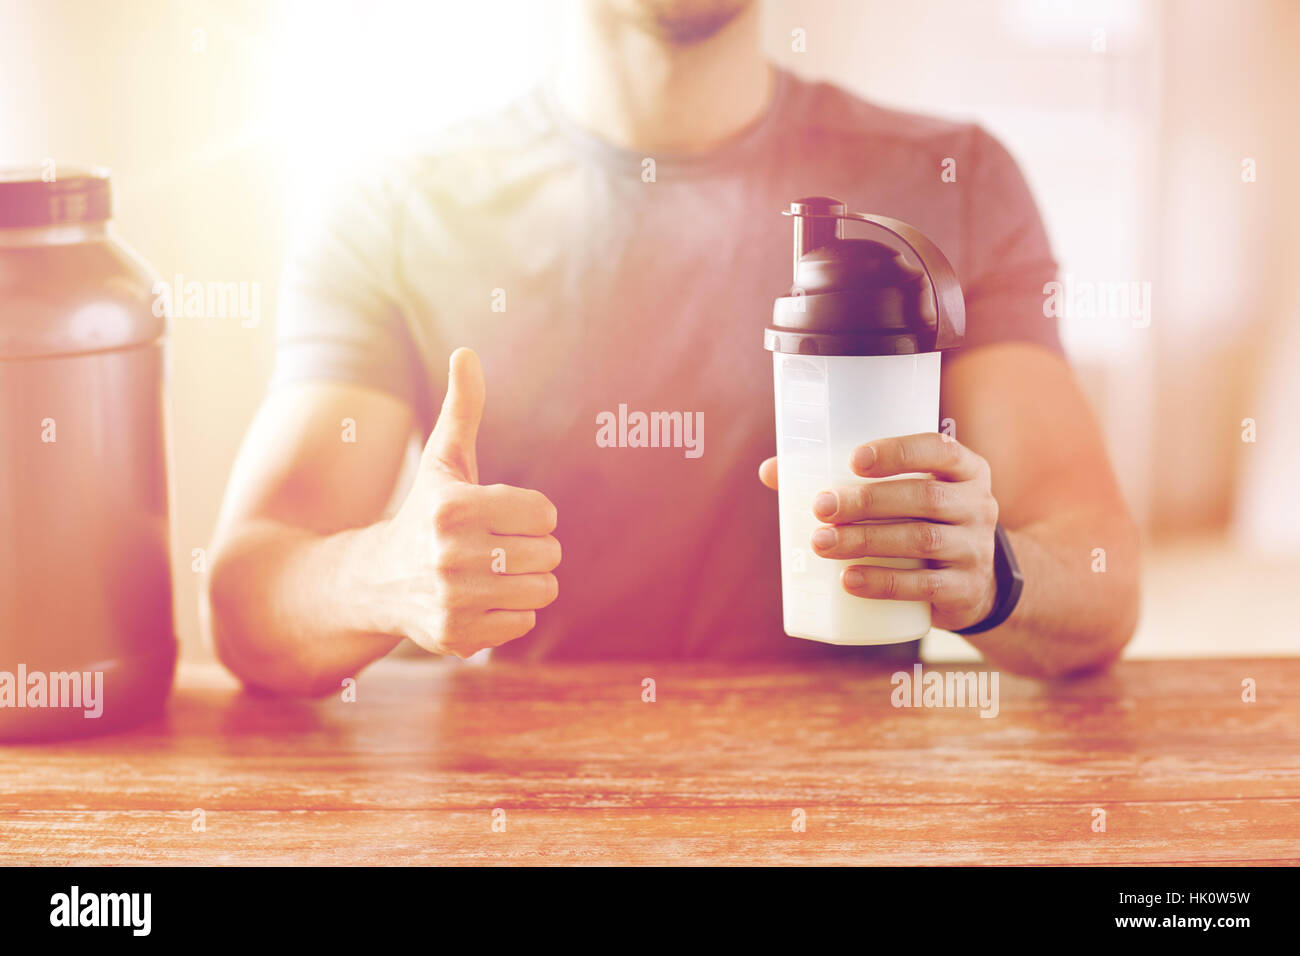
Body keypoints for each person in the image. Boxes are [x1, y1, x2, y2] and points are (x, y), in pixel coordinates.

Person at [206, 0, 1139, 695]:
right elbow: (248, 592)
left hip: (858, 804)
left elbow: (1099, 573)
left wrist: (994, 573)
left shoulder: (957, 179)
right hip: (530, 802)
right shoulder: (392, 208)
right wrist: (385, 576)